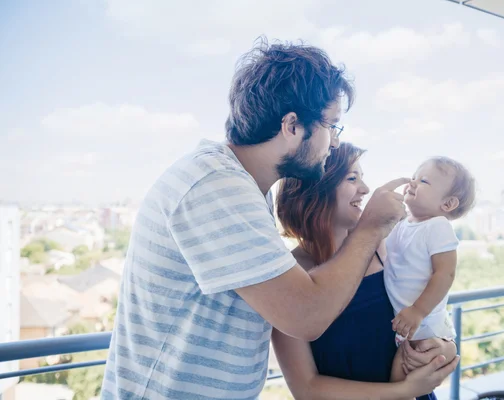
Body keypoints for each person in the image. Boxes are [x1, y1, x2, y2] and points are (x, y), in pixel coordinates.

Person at [100, 38, 411, 400]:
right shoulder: (216, 185)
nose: (336, 143)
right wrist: (371, 226)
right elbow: (306, 316)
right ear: (292, 126)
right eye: (332, 126)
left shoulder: (243, 187)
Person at [273, 143, 460, 400]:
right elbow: (306, 388)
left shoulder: (384, 247)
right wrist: (402, 391)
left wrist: (443, 348)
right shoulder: (286, 275)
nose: (366, 189)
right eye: (352, 178)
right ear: (315, 187)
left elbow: (429, 310)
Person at [387, 157, 476, 382]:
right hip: (407, 326)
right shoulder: (403, 224)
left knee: (402, 378)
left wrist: (418, 310)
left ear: (447, 204)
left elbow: (445, 274)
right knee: (399, 379)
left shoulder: (438, 226)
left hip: (425, 325)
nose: (413, 182)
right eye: (415, 177)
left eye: (424, 181)